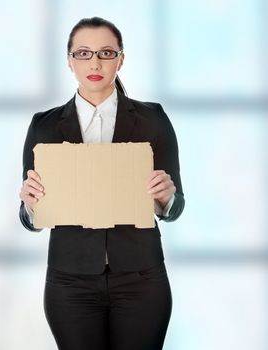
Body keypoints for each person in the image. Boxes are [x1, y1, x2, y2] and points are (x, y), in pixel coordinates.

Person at [19, 17, 185, 350]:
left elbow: (176, 206)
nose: (94, 62)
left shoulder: (152, 120)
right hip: (70, 282)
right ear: (69, 61)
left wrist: (166, 198)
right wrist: (29, 205)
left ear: (120, 59)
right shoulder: (45, 127)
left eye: (106, 53)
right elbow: (29, 218)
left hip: (141, 279)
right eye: (83, 53)